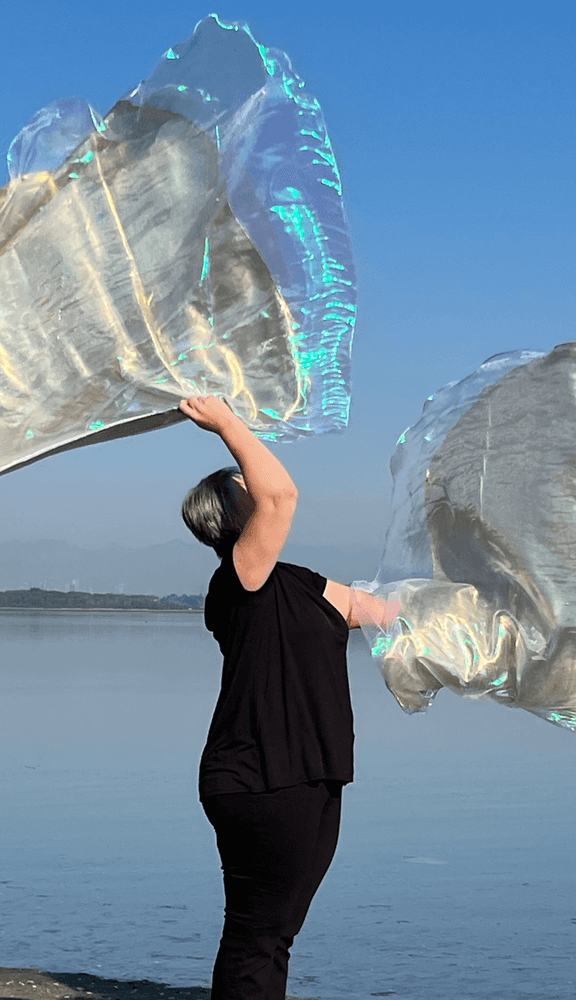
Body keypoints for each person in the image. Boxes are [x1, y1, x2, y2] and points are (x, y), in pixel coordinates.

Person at [177, 395, 392, 1000]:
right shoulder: (239, 581)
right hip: (257, 777)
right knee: (256, 932)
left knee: (278, 932)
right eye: (248, 481)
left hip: (314, 772)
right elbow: (283, 496)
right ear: (234, 515)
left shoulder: (296, 581)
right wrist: (223, 422)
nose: (262, 479)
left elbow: (377, 611)